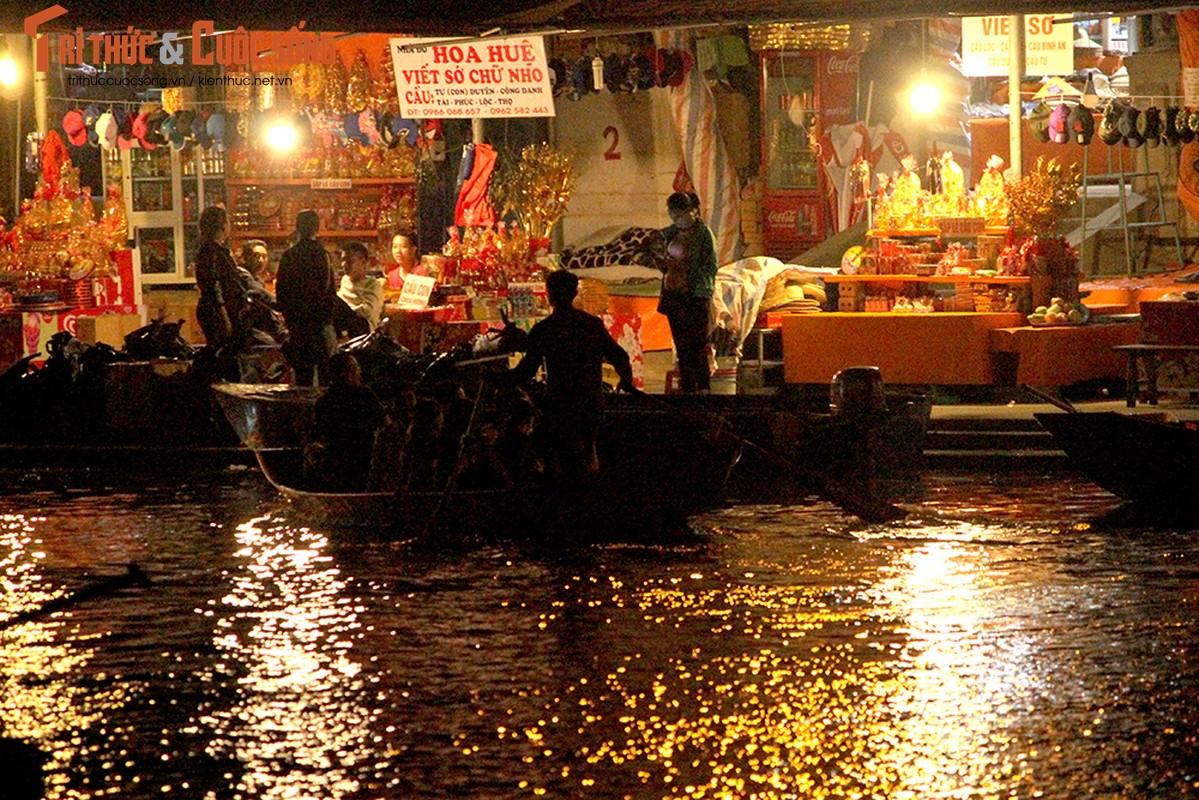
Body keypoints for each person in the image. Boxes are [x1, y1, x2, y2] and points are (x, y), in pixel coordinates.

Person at [503, 269, 638, 478]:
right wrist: (626, 380)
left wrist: (499, 379)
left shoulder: (545, 329)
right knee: (588, 454)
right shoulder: (590, 325)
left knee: (558, 462)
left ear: (549, 295)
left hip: (560, 405)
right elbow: (618, 356)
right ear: (575, 293)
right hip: (590, 402)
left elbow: (526, 371)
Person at [654, 191, 718, 393]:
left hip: (696, 295)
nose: (677, 219)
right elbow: (657, 249)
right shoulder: (669, 233)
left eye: (680, 214)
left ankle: (703, 388)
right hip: (674, 295)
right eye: (673, 215)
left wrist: (685, 268)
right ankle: (688, 389)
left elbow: (711, 267)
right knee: (682, 346)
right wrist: (663, 264)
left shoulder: (703, 234)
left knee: (697, 344)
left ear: (693, 211)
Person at [308, 352, 388, 491]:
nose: (359, 372)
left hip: (335, 462)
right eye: (356, 368)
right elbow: (385, 424)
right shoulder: (364, 396)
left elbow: (317, 433)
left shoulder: (323, 401)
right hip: (364, 459)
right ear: (349, 372)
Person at [276, 209, 337, 386]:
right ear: (316, 229)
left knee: (302, 376)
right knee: (325, 374)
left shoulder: (289, 255)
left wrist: (289, 316)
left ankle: (302, 410)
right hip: (319, 323)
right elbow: (329, 290)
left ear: (298, 228)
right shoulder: (322, 255)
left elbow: (282, 292)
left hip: (297, 324)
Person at [194, 205, 248, 352]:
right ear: (223, 225)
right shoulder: (213, 251)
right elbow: (213, 285)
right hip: (220, 311)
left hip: (220, 309)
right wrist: (222, 314)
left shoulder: (209, 250)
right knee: (226, 352)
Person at [237, 239, 287, 344]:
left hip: (259, 326)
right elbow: (260, 294)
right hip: (245, 328)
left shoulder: (258, 279)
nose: (261, 260)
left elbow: (266, 310)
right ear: (245, 258)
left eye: (264, 257)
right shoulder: (241, 274)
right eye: (256, 256)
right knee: (271, 344)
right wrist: (281, 305)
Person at [337, 242, 385, 329]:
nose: (343, 265)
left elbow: (368, 312)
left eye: (350, 261)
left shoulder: (373, 284)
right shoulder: (345, 280)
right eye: (343, 260)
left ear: (363, 262)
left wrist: (345, 312)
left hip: (363, 331)